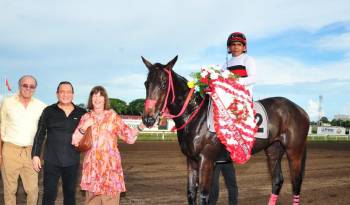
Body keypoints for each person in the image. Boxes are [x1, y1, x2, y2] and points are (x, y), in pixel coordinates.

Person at [71, 85, 145, 205]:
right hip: (92, 172)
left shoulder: (112, 117)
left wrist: (142, 125)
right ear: (91, 99)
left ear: (105, 99)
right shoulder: (85, 117)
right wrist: (84, 127)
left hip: (111, 172)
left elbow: (129, 137)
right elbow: (75, 141)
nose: (97, 98)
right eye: (94, 95)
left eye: (101, 95)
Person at [208, 32, 257, 205]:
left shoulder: (247, 60)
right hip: (228, 96)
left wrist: (235, 82)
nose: (235, 47)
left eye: (239, 45)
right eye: (233, 45)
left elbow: (253, 78)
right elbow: (220, 80)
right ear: (229, 47)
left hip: (242, 96)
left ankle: (237, 146)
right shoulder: (225, 63)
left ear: (244, 47)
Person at [31, 81, 87, 205]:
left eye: (68, 92)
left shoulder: (82, 113)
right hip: (52, 161)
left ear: (73, 94)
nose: (65, 94)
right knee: (49, 195)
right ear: (57, 94)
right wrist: (35, 155)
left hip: (72, 161)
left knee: (70, 195)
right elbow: (39, 134)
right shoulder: (48, 111)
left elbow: (91, 134)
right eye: (62, 92)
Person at [0, 75, 46, 205]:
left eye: (32, 86)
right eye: (25, 85)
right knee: (9, 189)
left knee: (32, 190)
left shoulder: (41, 106)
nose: (28, 88)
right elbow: (1, 128)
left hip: (31, 152)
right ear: (19, 86)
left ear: (35, 88)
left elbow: (46, 129)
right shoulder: (7, 102)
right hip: (9, 150)